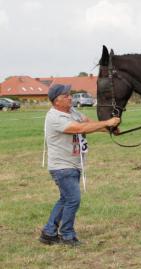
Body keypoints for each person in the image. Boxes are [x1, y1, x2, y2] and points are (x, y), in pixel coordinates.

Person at [39, 84, 120, 246]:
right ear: (56, 101)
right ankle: (67, 235)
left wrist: (108, 129)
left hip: (73, 164)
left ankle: (49, 232)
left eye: (70, 95)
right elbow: (79, 128)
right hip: (62, 167)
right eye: (66, 96)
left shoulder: (72, 112)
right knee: (73, 200)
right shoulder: (55, 117)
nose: (70, 98)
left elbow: (87, 123)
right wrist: (108, 121)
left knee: (65, 199)